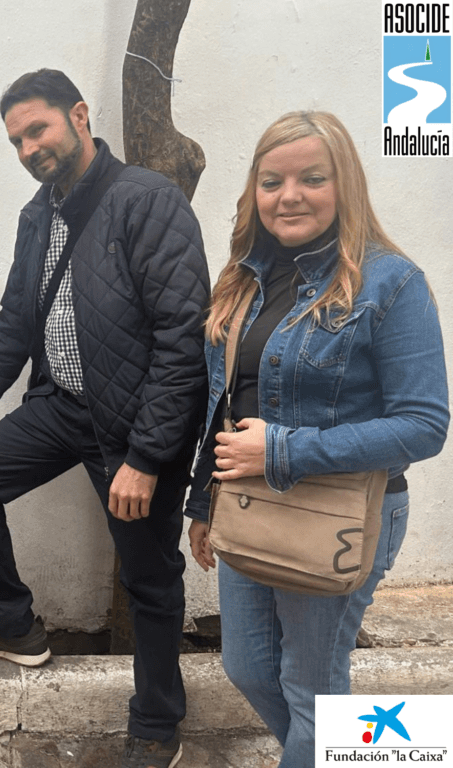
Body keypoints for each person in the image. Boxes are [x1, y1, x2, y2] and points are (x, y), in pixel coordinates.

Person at [0, 69, 209, 768]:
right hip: (64, 406)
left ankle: (158, 722)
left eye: (37, 129)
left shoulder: (148, 201)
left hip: (137, 426)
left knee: (150, 579)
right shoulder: (37, 213)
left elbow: (182, 340)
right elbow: (16, 321)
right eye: (15, 139)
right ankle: (16, 626)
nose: (27, 148)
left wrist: (145, 457)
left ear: (79, 117)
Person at [185, 110, 449, 767]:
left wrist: (283, 450)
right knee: (249, 668)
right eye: (272, 181)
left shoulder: (392, 284)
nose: (290, 194)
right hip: (246, 505)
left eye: (312, 177)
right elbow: (223, 402)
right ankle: (355, 755)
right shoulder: (244, 279)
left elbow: (425, 424)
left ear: (345, 185)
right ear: (255, 192)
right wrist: (202, 500)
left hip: (340, 514)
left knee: (313, 689)